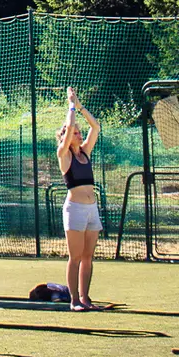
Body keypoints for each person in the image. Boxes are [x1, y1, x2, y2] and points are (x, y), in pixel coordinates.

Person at [56, 86, 101, 311]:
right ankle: (74, 300)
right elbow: (70, 125)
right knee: (75, 257)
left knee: (88, 256)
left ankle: (86, 298)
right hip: (75, 209)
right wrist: (70, 104)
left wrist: (80, 106)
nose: (79, 133)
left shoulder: (85, 152)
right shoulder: (63, 155)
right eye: (74, 132)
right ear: (65, 136)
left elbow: (96, 126)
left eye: (78, 132)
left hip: (92, 208)